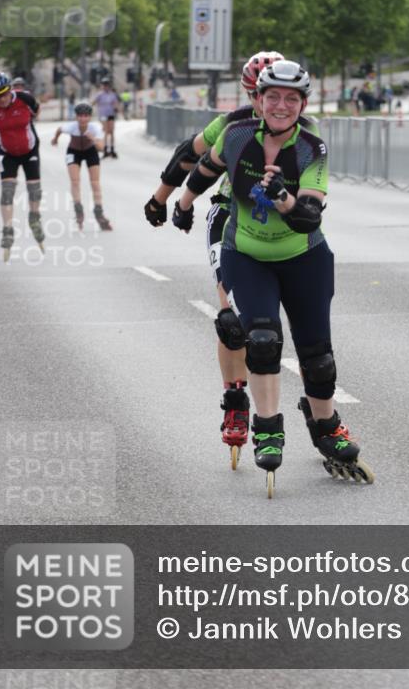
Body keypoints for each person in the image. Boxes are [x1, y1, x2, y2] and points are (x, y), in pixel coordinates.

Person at [172, 59, 373, 496]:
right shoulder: (237, 134)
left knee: (318, 358)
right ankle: (267, 425)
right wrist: (183, 202)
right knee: (261, 339)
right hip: (246, 253)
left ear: (303, 104)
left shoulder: (311, 149)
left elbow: (307, 218)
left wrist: (283, 197)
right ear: (258, 100)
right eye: (273, 97)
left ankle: (327, 427)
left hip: (305, 256)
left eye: (291, 99)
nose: (281, 106)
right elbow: (205, 168)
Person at [144, 51, 291, 467]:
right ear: (252, 93)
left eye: (281, 95)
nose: (270, 105)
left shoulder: (301, 128)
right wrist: (161, 200)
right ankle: (235, 400)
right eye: (261, 95)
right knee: (234, 322)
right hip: (229, 215)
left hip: (279, 225)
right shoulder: (232, 124)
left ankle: (323, 411)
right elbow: (188, 155)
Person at [0, 71, 44, 259]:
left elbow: (37, 109)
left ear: (10, 90)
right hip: (5, 152)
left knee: (34, 188)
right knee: (7, 189)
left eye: (4, 94)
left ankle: (34, 217)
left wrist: (28, 120)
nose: (1, 99)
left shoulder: (24, 98)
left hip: (30, 149)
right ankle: (8, 229)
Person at [51, 103, 112, 230]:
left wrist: (93, 139)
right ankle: (78, 209)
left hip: (91, 151)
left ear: (90, 117)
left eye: (86, 116)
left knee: (95, 182)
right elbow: (59, 130)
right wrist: (55, 139)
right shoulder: (71, 127)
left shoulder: (95, 128)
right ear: (76, 117)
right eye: (80, 116)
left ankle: (98, 211)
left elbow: (101, 149)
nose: (83, 119)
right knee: (75, 181)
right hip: (74, 152)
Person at [92, 78, 121, 158]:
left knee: (111, 131)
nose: (106, 87)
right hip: (103, 114)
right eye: (104, 85)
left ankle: (112, 149)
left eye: (107, 85)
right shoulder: (100, 95)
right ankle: (104, 149)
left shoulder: (112, 94)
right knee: (106, 131)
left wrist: (116, 108)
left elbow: (115, 103)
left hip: (110, 114)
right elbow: (93, 102)